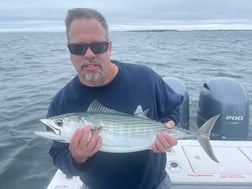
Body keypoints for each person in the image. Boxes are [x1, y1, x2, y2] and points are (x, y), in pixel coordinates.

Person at [48, 8, 183, 189]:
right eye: (78, 48)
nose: (89, 54)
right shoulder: (61, 102)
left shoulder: (146, 77)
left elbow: (173, 108)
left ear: (109, 47)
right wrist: (77, 157)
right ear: (69, 51)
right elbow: (59, 157)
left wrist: (169, 125)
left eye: (98, 46)